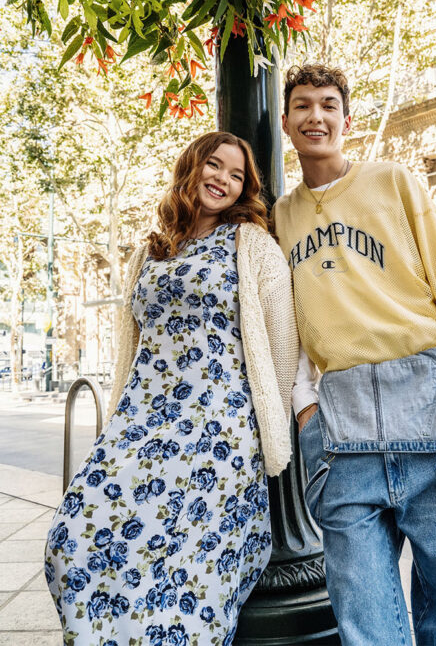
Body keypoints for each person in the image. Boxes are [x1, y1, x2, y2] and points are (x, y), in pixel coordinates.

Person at [272, 64, 436, 645]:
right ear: (285, 122)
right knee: (363, 611)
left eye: (328, 104)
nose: (315, 116)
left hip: (431, 395)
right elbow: (287, 319)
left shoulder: (392, 180)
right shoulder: (280, 215)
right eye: (302, 105)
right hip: (340, 424)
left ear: (346, 120)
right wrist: (304, 406)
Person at [43, 132, 299, 644]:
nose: (223, 180)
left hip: (217, 433)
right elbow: (130, 347)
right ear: (191, 167)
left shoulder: (253, 245)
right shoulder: (150, 251)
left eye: (236, 175)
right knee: (72, 539)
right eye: (214, 165)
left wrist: (257, 430)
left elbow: (281, 343)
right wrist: (118, 416)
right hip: (139, 423)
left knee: (187, 582)